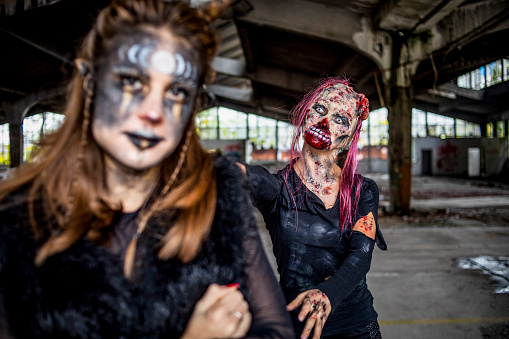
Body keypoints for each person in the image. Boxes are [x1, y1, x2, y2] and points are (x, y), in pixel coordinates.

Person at [0, 0, 294, 338]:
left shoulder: (217, 197)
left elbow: (276, 330)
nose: (154, 112)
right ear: (91, 82)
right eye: (131, 82)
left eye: (176, 91)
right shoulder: (15, 222)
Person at [238, 77, 387, 339]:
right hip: (300, 326)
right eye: (319, 110)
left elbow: (361, 254)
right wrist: (230, 170)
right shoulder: (278, 189)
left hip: (358, 323)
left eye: (340, 119)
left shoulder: (363, 190)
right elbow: (255, 179)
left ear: (347, 139)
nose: (325, 121)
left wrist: (327, 294)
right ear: (305, 115)